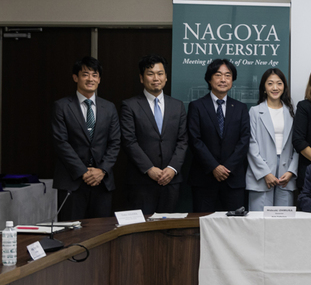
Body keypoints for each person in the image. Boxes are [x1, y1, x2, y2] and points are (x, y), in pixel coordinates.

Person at [51, 56, 121, 220]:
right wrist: (83, 172)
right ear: (75, 77)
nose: (90, 79)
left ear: (99, 79)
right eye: (85, 74)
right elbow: (61, 143)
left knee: (101, 234)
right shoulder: (61, 106)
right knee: (71, 235)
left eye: (95, 75)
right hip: (72, 181)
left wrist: (102, 170)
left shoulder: (109, 107)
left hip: (102, 182)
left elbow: (115, 142)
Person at [119, 55, 188, 215]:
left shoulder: (177, 106)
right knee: (141, 231)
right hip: (141, 181)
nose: (156, 78)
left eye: (160, 73)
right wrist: (149, 169)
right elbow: (129, 141)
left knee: (168, 231)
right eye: (150, 73)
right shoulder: (129, 105)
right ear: (142, 78)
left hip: (171, 181)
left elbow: (183, 140)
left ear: (166, 77)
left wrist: (172, 169)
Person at [187, 59, 250, 212]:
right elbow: (195, 140)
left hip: (233, 179)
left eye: (228, 75)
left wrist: (227, 167)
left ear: (232, 80)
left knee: (235, 227)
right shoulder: (196, 106)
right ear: (209, 79)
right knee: (204, 224)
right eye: (218, 75)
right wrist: (214, 166)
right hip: (204, 178)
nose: (223, 79)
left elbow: (244, 140)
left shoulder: (241, 108)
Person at [246, 69, 298, 211]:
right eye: (270, 83)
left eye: (279, 83)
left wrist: (291, 171)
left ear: (284, 87)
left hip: (285, 173)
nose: (275, 88)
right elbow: (251, 144)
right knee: (259, 221)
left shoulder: (292, 112)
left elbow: (298, 145)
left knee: (284, 223)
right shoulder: (255, 112)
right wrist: (265, 173)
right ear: (264, 87)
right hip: (261, 172)